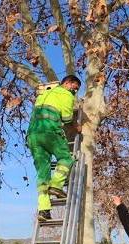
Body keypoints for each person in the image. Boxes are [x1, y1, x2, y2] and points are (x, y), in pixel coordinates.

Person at [27, 75, 82, 222]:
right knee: (66, 158)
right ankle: (57, 185)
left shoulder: (43, 94)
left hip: (32, 135)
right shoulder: (65, 94)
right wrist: (77, 127)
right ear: (67, 83)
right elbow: (67, 119)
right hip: (50, 131)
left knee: (42, 175)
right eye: (75, 87)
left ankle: (44, 211)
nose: (75, 91)